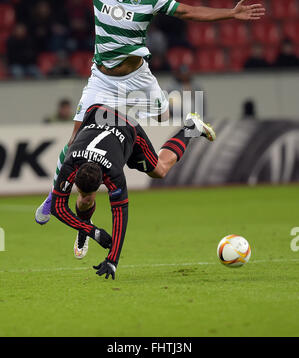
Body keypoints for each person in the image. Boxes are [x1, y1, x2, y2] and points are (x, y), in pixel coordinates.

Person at [35, 0, 265, 225]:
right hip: (102, 79)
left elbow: (188, 11)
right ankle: (51, 198)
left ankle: (189, 127)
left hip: (139, 77)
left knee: (161, 115)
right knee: (74, 139)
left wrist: (231, 12)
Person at [45, 103, 216, 280]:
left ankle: (191, 127)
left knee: (160, 170)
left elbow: (120, 215)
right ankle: (84, 225)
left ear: (102, 182)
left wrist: (113, 259)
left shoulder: (114, 175)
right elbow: (57, 208)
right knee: (84, 199)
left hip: (128, 128)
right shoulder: (70, 163)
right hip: (97, 113)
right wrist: (93, 231)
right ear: (76, 173)